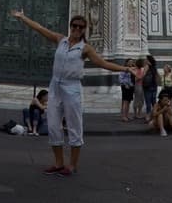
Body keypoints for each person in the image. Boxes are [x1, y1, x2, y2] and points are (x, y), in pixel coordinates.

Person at [11, 10, 133, 177]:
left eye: (80, 27)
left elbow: (102, 63)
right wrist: (22, 17)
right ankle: (58, 163)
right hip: (55, 86)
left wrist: (125, 68)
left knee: (74, 127)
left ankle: (72, 165)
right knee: (54, 126)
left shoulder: (85, 49)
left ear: (84, 30)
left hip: (72, 88)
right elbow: (40, 28)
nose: (77, 29)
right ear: (70, 27)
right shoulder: (60, 40)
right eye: (74, 26)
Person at [142, 54, 158, 121]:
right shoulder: (154, 67)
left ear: (148, 60)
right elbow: (157, 76)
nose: (144, 60)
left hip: (147, 86)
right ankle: (155, 115)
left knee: (148, 101)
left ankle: (148, 116)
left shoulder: (147, 66)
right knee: (153, 102)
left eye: (146, 59)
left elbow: (143, 75)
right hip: (154, 86)